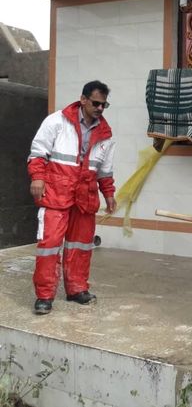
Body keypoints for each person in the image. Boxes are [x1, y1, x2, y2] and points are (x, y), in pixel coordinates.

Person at [28, 81, 117, 315]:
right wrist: (38, 178)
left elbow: (104, 171)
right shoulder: (57, 121)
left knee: (81, 246)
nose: (100, 108)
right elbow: (38, 153)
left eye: (104, 104)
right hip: (56, 193)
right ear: (83, 99)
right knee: (49, 246)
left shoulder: (105, 133)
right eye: (96, 103)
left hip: (85, 197)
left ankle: (77, 289)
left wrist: (108, 194)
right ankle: (44, 296)